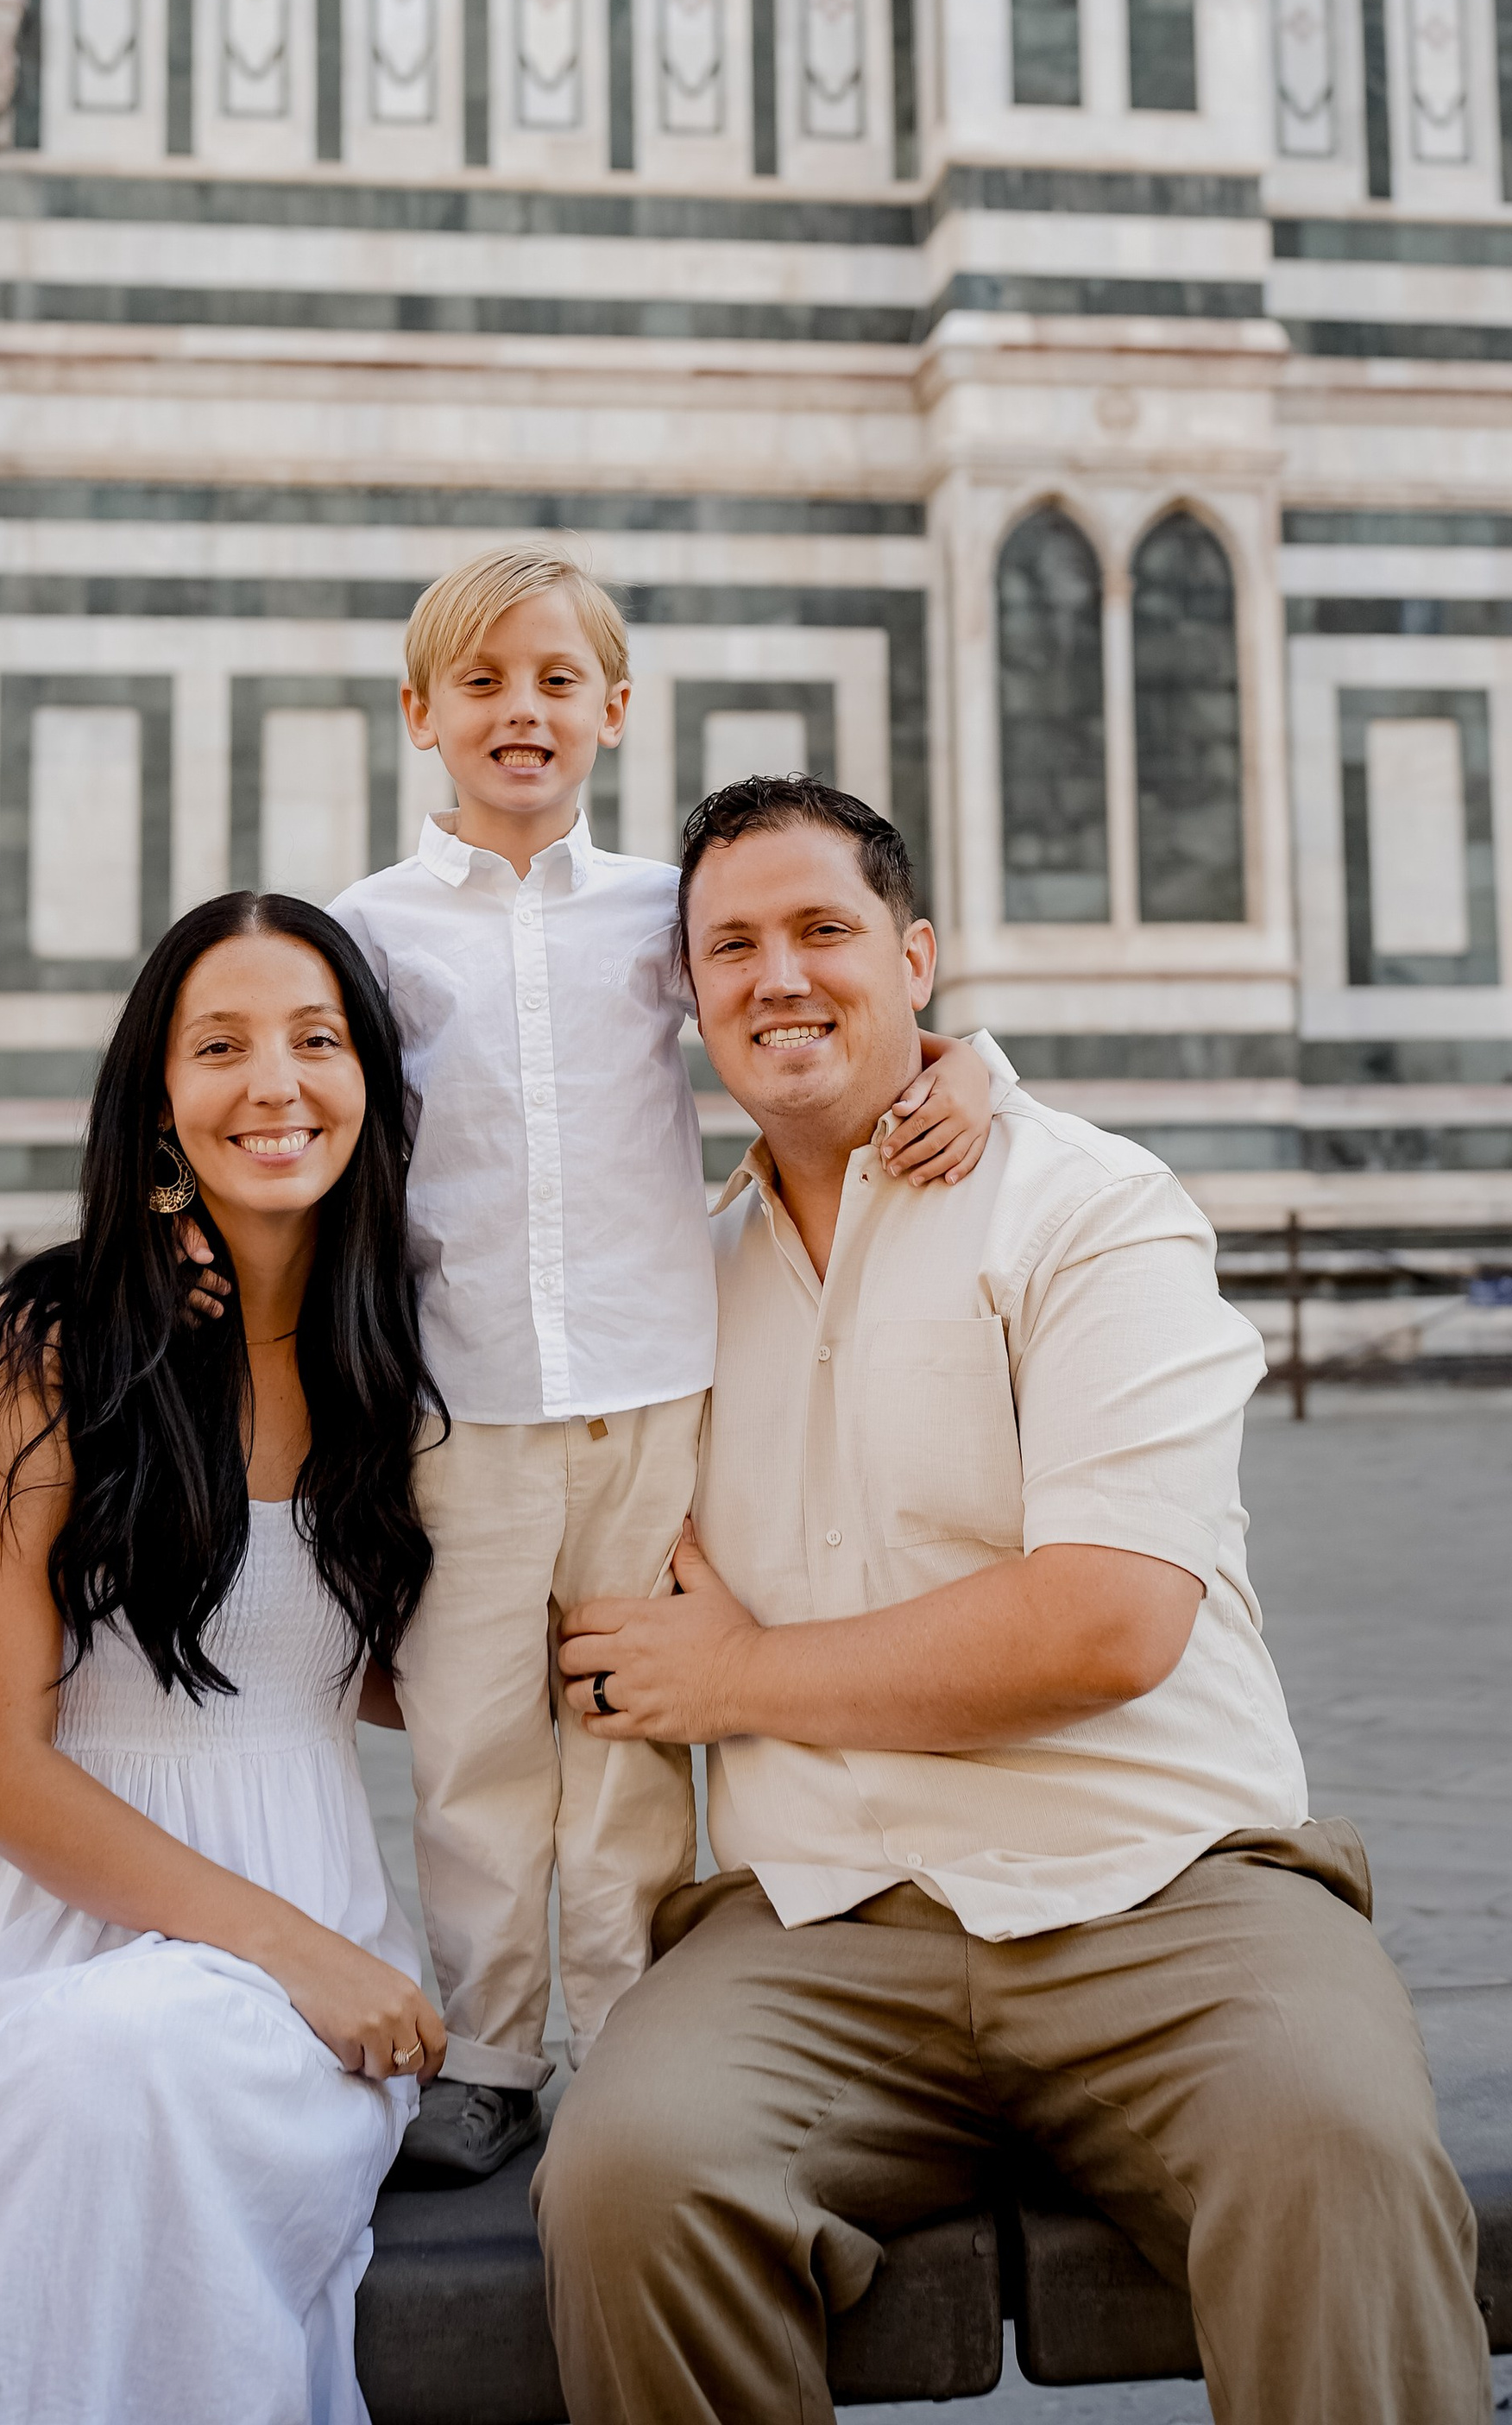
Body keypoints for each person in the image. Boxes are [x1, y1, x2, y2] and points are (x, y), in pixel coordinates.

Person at [538, 776, 1494, 2425]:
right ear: (687, 997)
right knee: (629, 2180)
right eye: (733, 947)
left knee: (1337, 2149)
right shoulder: (673, 1288)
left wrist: (741, 1676)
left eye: (824, 930)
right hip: (823, 1927)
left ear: (916, 959)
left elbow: (1108, 1623)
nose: (780, 976)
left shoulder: (1089, 1205)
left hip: (1167, 1892)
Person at [296, 549, 996, 2183]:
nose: (520, 711)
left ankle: (624, 2044)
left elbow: (804, 997)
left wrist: (971, 1059)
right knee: (476, 1741)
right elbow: (316, 1103)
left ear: (613, 708)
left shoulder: (656, 914)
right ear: (419, 713)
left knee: (628, 1731)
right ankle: (488, 2053)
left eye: (556, 680)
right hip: (461, 1402)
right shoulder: (369, 928)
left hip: (649, 1391)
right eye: (481, 682)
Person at [0, 894, 447, 2425]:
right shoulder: (54, 1346)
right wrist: (299, 1955)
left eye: (317, 1040)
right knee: (102, 2056)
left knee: (145, 2057)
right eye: (221, 1046)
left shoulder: (392, 1354)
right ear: (158, 1099)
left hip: (280, 1938)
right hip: (14, 1935)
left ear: (370, 1080)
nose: (276, 1084)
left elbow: (370, 1663)